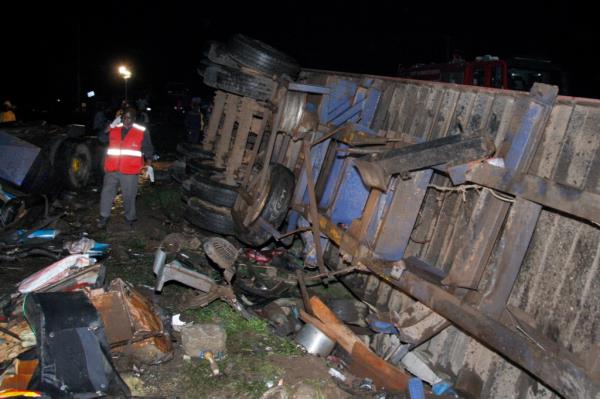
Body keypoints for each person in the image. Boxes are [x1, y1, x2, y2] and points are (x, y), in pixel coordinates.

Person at [97, 107, 154, 229]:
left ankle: (129, 219)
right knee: (106, 193)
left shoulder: (142, 131)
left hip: (130, 170)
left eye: (129, 118)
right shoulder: (114, 128)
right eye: (124, 117)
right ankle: (103, 218)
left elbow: (148, 148)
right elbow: (101, 138)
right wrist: (109, 127)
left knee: (129, 196)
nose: (126, 120)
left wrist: (149, 165)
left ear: (134, 119)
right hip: (112, 168)